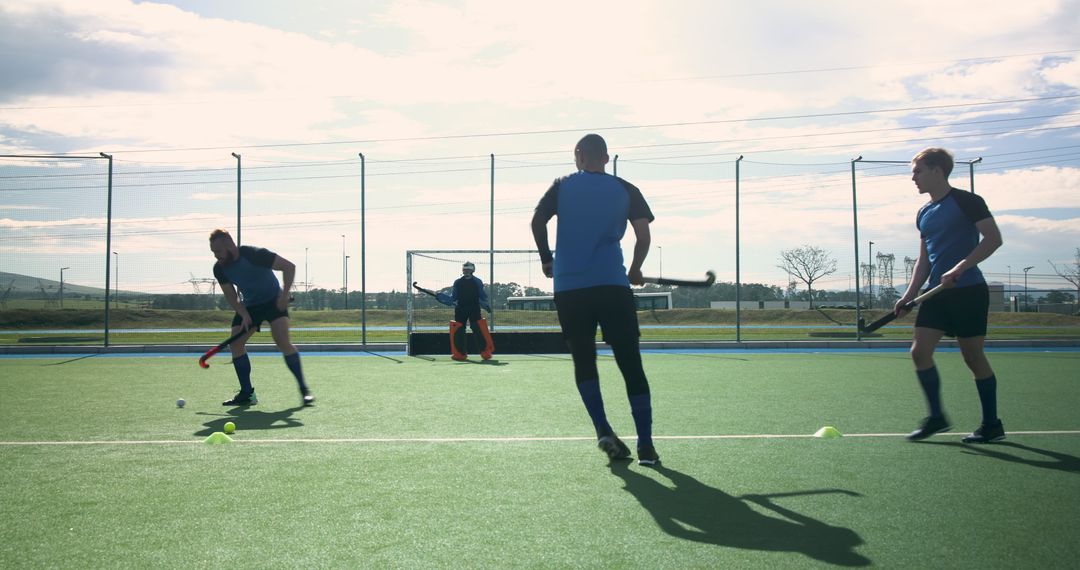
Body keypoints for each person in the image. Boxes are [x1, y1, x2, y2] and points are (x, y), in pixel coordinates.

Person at [530, 133, 659, 466]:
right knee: (631, 362)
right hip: (612, 285)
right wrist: (635, 269)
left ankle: (602, 428)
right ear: (606, 158)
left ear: (578, 155)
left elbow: (537, 221)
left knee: (584, 361)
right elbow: (643, 236)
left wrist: (547, 259)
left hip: (570, 288)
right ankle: (646, 446)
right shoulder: (625, 189)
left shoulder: (562, 186)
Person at [899, 147, 1004, 443]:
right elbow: (924, 260)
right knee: (919, 352)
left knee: (973, 357)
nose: (913, 178)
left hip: (968, 291)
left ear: (937, 170)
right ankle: (937, 417)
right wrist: (908, 295)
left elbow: (993, 239)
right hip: (937, 294)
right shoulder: (924, 212)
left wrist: (961, 266)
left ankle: (991, 424)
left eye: (918, 171)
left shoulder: (967, 201)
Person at [209, 229, 314, 407]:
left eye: (218, 251)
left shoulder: (254, 254)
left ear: (230, 245)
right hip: (250, 306)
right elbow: (231, 296)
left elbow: (289, 267)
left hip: (274, 301)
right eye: (213, 252)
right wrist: (244, 314)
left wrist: (284, 295)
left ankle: (304, 391)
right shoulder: (219, 268)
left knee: (282, 341)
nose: (216, 256)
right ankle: (247, 394)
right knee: (236, 343)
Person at [445, 261, 495, 361]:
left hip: (474, 308)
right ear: (463, 271)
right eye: (465, 269)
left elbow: (482, 295)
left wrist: (485, 305)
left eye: (469, 269)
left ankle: (485, 352)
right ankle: (460, 354)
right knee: (459, 331)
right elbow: (454, 297)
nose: (466, 271)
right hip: (460, 309)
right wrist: (446, 299)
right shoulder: (458, 282)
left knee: (478, 329)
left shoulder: (477, 281)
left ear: (473, 270)